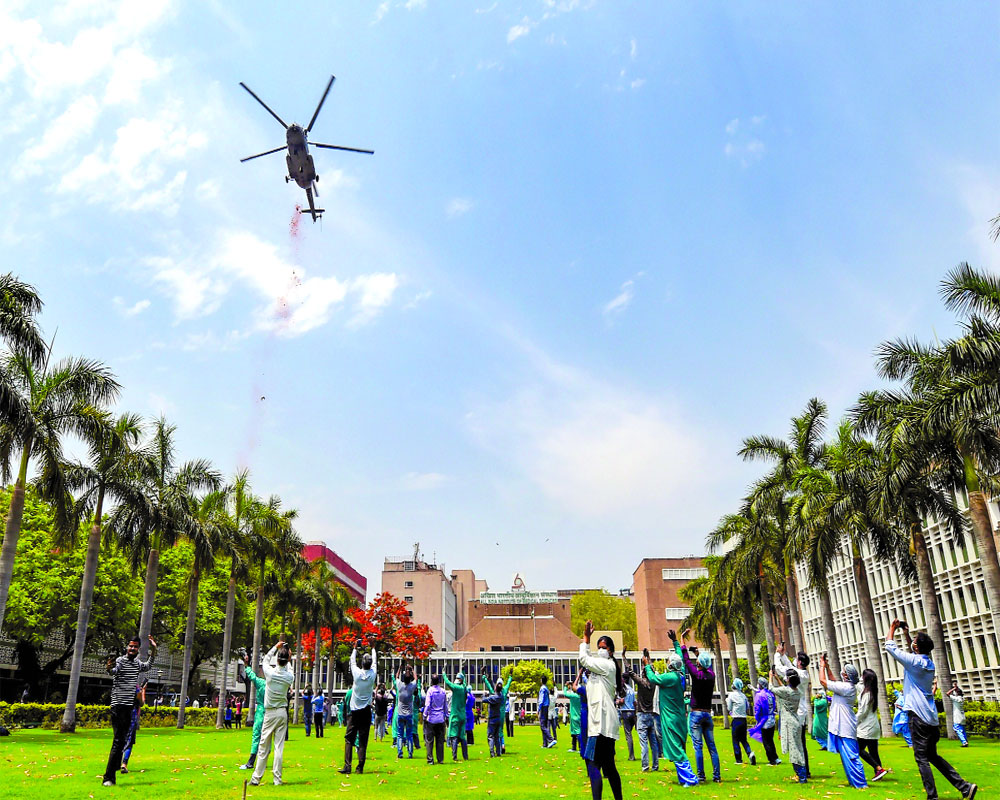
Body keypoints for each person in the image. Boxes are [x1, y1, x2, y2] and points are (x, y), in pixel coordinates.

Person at [885, 619, 977, 800]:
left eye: (914, 642)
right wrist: (906, 634)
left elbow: (890, 647)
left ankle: (932, 797)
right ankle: (965, 787)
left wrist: (892, 628)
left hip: (917, 718)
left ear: (917, 648)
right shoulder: (928, 663)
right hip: (931, 719)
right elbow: (914, 653)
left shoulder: (914, 662)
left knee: (921, 758)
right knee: (932, 756)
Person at [643, 629, 698, 787]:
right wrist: (675, 641)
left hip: (671, 718)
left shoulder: (670, 677)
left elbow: (653, 678)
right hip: (680, 717)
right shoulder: (680, 674)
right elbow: (679, 656)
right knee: (679, 747)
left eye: (668, 661)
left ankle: (690, 778)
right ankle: (683, 778)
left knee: (676, 749)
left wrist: (647, 665)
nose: (667, 662)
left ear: (671, 665)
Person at [579, 620, 625, 800]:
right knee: (609, 766)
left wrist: (585, 638)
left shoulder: (607, 666)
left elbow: (584, 659)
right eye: (599, 646)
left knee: (592, 764)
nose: (601, 649)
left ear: (611, 651)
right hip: (604, 722)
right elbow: (588, 662)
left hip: (601, 724)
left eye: (604, 647)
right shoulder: (600, 668)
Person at [102, 636, 156, 787]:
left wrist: (154, 649)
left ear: (138, 649)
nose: (132, 649)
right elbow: (113, 671)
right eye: (131, 646)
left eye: (135, 647)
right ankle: (108, 778)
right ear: (127, 647)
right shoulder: (121, 661)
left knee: (122, 742)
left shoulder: (137, 664)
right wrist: (109, 668)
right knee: (119, 741)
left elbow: (148, 666)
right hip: (118, 705)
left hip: (129, 707)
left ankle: (111, 776)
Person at [817, 655, 867, 789]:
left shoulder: (847, 688)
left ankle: (861, 783)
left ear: (846, 675)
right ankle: (854, 782)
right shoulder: (846, 686)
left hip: (845, 727)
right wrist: (827, 667)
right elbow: (833, 681)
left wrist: (821, 665)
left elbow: (823, 681)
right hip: (841, 726)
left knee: (851, 756)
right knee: (846, 757)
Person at [250, 641, 295, 787]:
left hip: (269, 713)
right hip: (282, 712)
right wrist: (288, 658)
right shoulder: (289, 677)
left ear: (277, 660)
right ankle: (277, 779)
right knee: (278, 747)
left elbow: (265, 660)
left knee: (263, 747)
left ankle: (256, 778)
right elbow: (290, 669)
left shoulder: (270, 673)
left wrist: (276, 647)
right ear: (287, 660)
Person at [680, 631, 722, 782]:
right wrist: (698, 654)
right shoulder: (711, 676)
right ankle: (717, 776)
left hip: (696, 714)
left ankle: (702, 776)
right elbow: (704, 666)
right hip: (707, 714)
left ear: (699, 664)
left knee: (698, 747)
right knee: (712, 747)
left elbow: (686, 660)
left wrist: (682, 640)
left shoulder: (696, 676)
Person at [773, 642, 812, 778]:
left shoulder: (798, 674)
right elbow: (789, 666)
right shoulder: (803, 673)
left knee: (797, 744)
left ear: (800, 662)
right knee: (800, 743)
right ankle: (804, 770)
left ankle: (802, 772)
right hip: (800, 710)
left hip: (796, 712)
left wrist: (777, 654)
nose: (794, 660)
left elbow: (780, 669)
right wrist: (783, 655)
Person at [340, 640, 377, 775]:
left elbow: (352, 662)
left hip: (354, 711)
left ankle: (347, 765)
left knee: (349, 738)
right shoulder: (372, 675)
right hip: (366, 711)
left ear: (362, 664)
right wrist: (373, 648)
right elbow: (375, 663)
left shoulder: (357, 674)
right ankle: (360, 767)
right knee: (363, 740)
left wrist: (355, 648)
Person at [771, 667, 807, 783]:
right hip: (796, 721)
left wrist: (770, 677)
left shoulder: (787, 692)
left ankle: (802, 776)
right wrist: (777, 677)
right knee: (797, 749)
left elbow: (772, 688)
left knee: (795, 750)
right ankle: (800, 774)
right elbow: (785, 690)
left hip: (790, 723)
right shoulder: (797, 692)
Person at [626, 655, 659, 772]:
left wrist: (624, 656)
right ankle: (655, 765)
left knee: (643, 742)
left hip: (641, 714)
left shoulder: (641, 682)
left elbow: (630, 672)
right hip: (651, 713)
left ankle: (645, 766)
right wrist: (648, 660)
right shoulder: (654, 683)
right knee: (653, 743)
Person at [857, 668, 889, 781]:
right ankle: (879, 772)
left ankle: (878, 768)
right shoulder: (871, 691)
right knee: (873, 752)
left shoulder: (867, 694)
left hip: (867, 727)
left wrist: (853, 722)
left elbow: (862, 712)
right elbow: (858, 685)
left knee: (858, 749)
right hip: (872, 726)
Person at [240, 651, 267, 770]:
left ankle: (251, 762)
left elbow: (251, 676)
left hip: (261, 711)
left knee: (256, 736)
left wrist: (246, 664)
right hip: (272, 713)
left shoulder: (261, 683)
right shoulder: (274, 685)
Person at [749, 677, 779, 766]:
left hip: (764, 720)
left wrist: (757, 719)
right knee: (770, 740)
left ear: (760, 684)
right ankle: (775, 758)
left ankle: (772, 760)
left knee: (766, 741)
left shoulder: (759, 695)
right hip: (772, 719)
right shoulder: (770, 694)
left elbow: (758, 708)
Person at [726, 678, 756, 766]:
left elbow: (729, 708)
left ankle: (738, 759)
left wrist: (728, 702)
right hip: (744, 720)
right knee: (744, 740)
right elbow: (747, 707)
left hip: (736, 719)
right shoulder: (744, 696)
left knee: (735, 740)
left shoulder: (731, 695)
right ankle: (750, 753)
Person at [483, 670, 514, 753]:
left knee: (493, 733)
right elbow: (508, 683)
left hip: (495, 713)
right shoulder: (505, 690)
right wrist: (510, 676)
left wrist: (484, 677)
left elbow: (488, 686)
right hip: (502, 713)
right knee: (500, 731)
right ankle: (502, 745)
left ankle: (495, 749)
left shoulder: (494, 693)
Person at [442, 671, 469, 760]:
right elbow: (465, 682)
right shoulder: (465, 688)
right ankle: (465, 756)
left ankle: (454, 756)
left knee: (454, 736)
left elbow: (448, 683)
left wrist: (444, 675)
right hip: (462, 716)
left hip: (455, 716)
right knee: (462, 737)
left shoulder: (456, 688)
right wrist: (464, 674)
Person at [120, 682, 146, 774]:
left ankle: (115, 764)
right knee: (129, 741)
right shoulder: (136, 688)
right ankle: (124, 764)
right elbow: (141, 703)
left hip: (121, 716)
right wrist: (143, 691)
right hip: (132, 717)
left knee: (119, 740)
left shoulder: (121, 686)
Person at [394, 664, 418, 758]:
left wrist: (400, 667)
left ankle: (400, 753)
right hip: (409, 714)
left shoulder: (400, 686)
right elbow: (416, 679)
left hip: (400, 713)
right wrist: (412, 669)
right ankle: (410, 753)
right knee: (409, 735)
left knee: (399, 735)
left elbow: (396, 676)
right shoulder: (411, 687)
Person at [423, 674, 448, 764]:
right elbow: (445, 705)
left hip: (431, 719)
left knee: (429, 741)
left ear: (431, 681)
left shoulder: (430, 691)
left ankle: (430, 759)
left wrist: (424, 715)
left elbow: (427, 705)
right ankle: (440, 759)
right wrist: (446, 716)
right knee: (440, 741)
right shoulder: (443, 691)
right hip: (441, 718)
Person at [617, 677, 636, 761]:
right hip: (633, 712)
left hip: (625, 712)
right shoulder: (631, 689)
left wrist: (617, 702)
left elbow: (621, 701)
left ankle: (631, 756)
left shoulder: (622, 689)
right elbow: (635, 702)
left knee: (628, 735)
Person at [562, 677, 584, 753]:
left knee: (576, 733)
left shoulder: (573, 696)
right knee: (576, 732)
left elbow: (565, 693)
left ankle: (578, 748)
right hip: (580, 715)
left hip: (574, 716)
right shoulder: (580, 696)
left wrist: (566, 686)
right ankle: (575, 747)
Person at [484, 684, 505, 757]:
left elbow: (484, 700)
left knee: (490, 736)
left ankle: (492, 753)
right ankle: (498, 752)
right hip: (498, 718)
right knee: (496, 736)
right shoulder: (501, 696)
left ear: (495, 688)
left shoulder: (493, 697)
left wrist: (485, 695)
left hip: (492, 719)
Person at [538, 674, 555, 748]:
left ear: (541, 680)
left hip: (543, 707)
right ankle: (545, 744)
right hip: (547, 707)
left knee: (542, 725)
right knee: (544, 725)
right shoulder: (546, 688)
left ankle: (551, 739)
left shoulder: (542, 688)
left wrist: (538, 709)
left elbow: (541, 700)